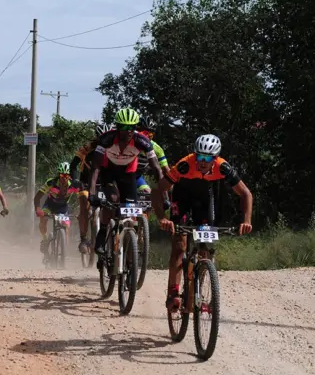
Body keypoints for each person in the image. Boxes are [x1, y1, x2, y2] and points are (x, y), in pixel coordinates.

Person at [152, 134, 254, 311]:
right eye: (199, 156)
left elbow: (246, 194)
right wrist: (162, 217)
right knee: (179, 244)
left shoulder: (223, 167)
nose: (202, 161)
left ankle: (198, 289)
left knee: (204, 247)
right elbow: (158, 190)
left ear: (215, 158)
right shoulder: (184, 165)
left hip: (205, 200)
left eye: (207, 158)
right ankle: (173, 293)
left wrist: (246, 221)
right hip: (182, 198)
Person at [88, 108, 164, 255]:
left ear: (136, 128)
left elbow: (157, 169)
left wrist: (163, 195)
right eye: (123, 127)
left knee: (131, 209)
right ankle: (103, 232)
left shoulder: (142, 141)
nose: (127, 131)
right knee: (112, 199)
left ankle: (131, 255)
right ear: (117, 127)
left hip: (128, 173)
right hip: (108, 171)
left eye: (131, 127)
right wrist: (92, 192)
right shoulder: (106, 139)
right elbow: (95, 167)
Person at [69, 122, 114, 253]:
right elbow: (73, 165)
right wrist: (75, 180)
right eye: (101, 138)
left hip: (105, 182)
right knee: (84, 205)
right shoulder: (87, 148)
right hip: (86, 181)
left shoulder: (115, 147)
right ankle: (83, 239)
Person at [33, 162, 84, 261]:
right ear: (59, 174)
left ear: (69, 176)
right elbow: (37, 197)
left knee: (67, 226)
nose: (64, 177)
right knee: (43, 220)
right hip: (49, 206)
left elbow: (81, 199)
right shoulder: (51, 183)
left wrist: (81, 211)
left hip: (63, 208)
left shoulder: (74, 185)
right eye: (61, 175)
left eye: (66, 175)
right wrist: (38, 209)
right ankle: (44, 240)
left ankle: (64, 250)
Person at [135, 116, 170, 194]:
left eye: (150, 135)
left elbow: (166, 170)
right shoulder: (128, 142)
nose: (146, 138)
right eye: (144, 133)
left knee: (147, 193)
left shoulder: (157, 149)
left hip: (136, 176)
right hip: (119, 174)